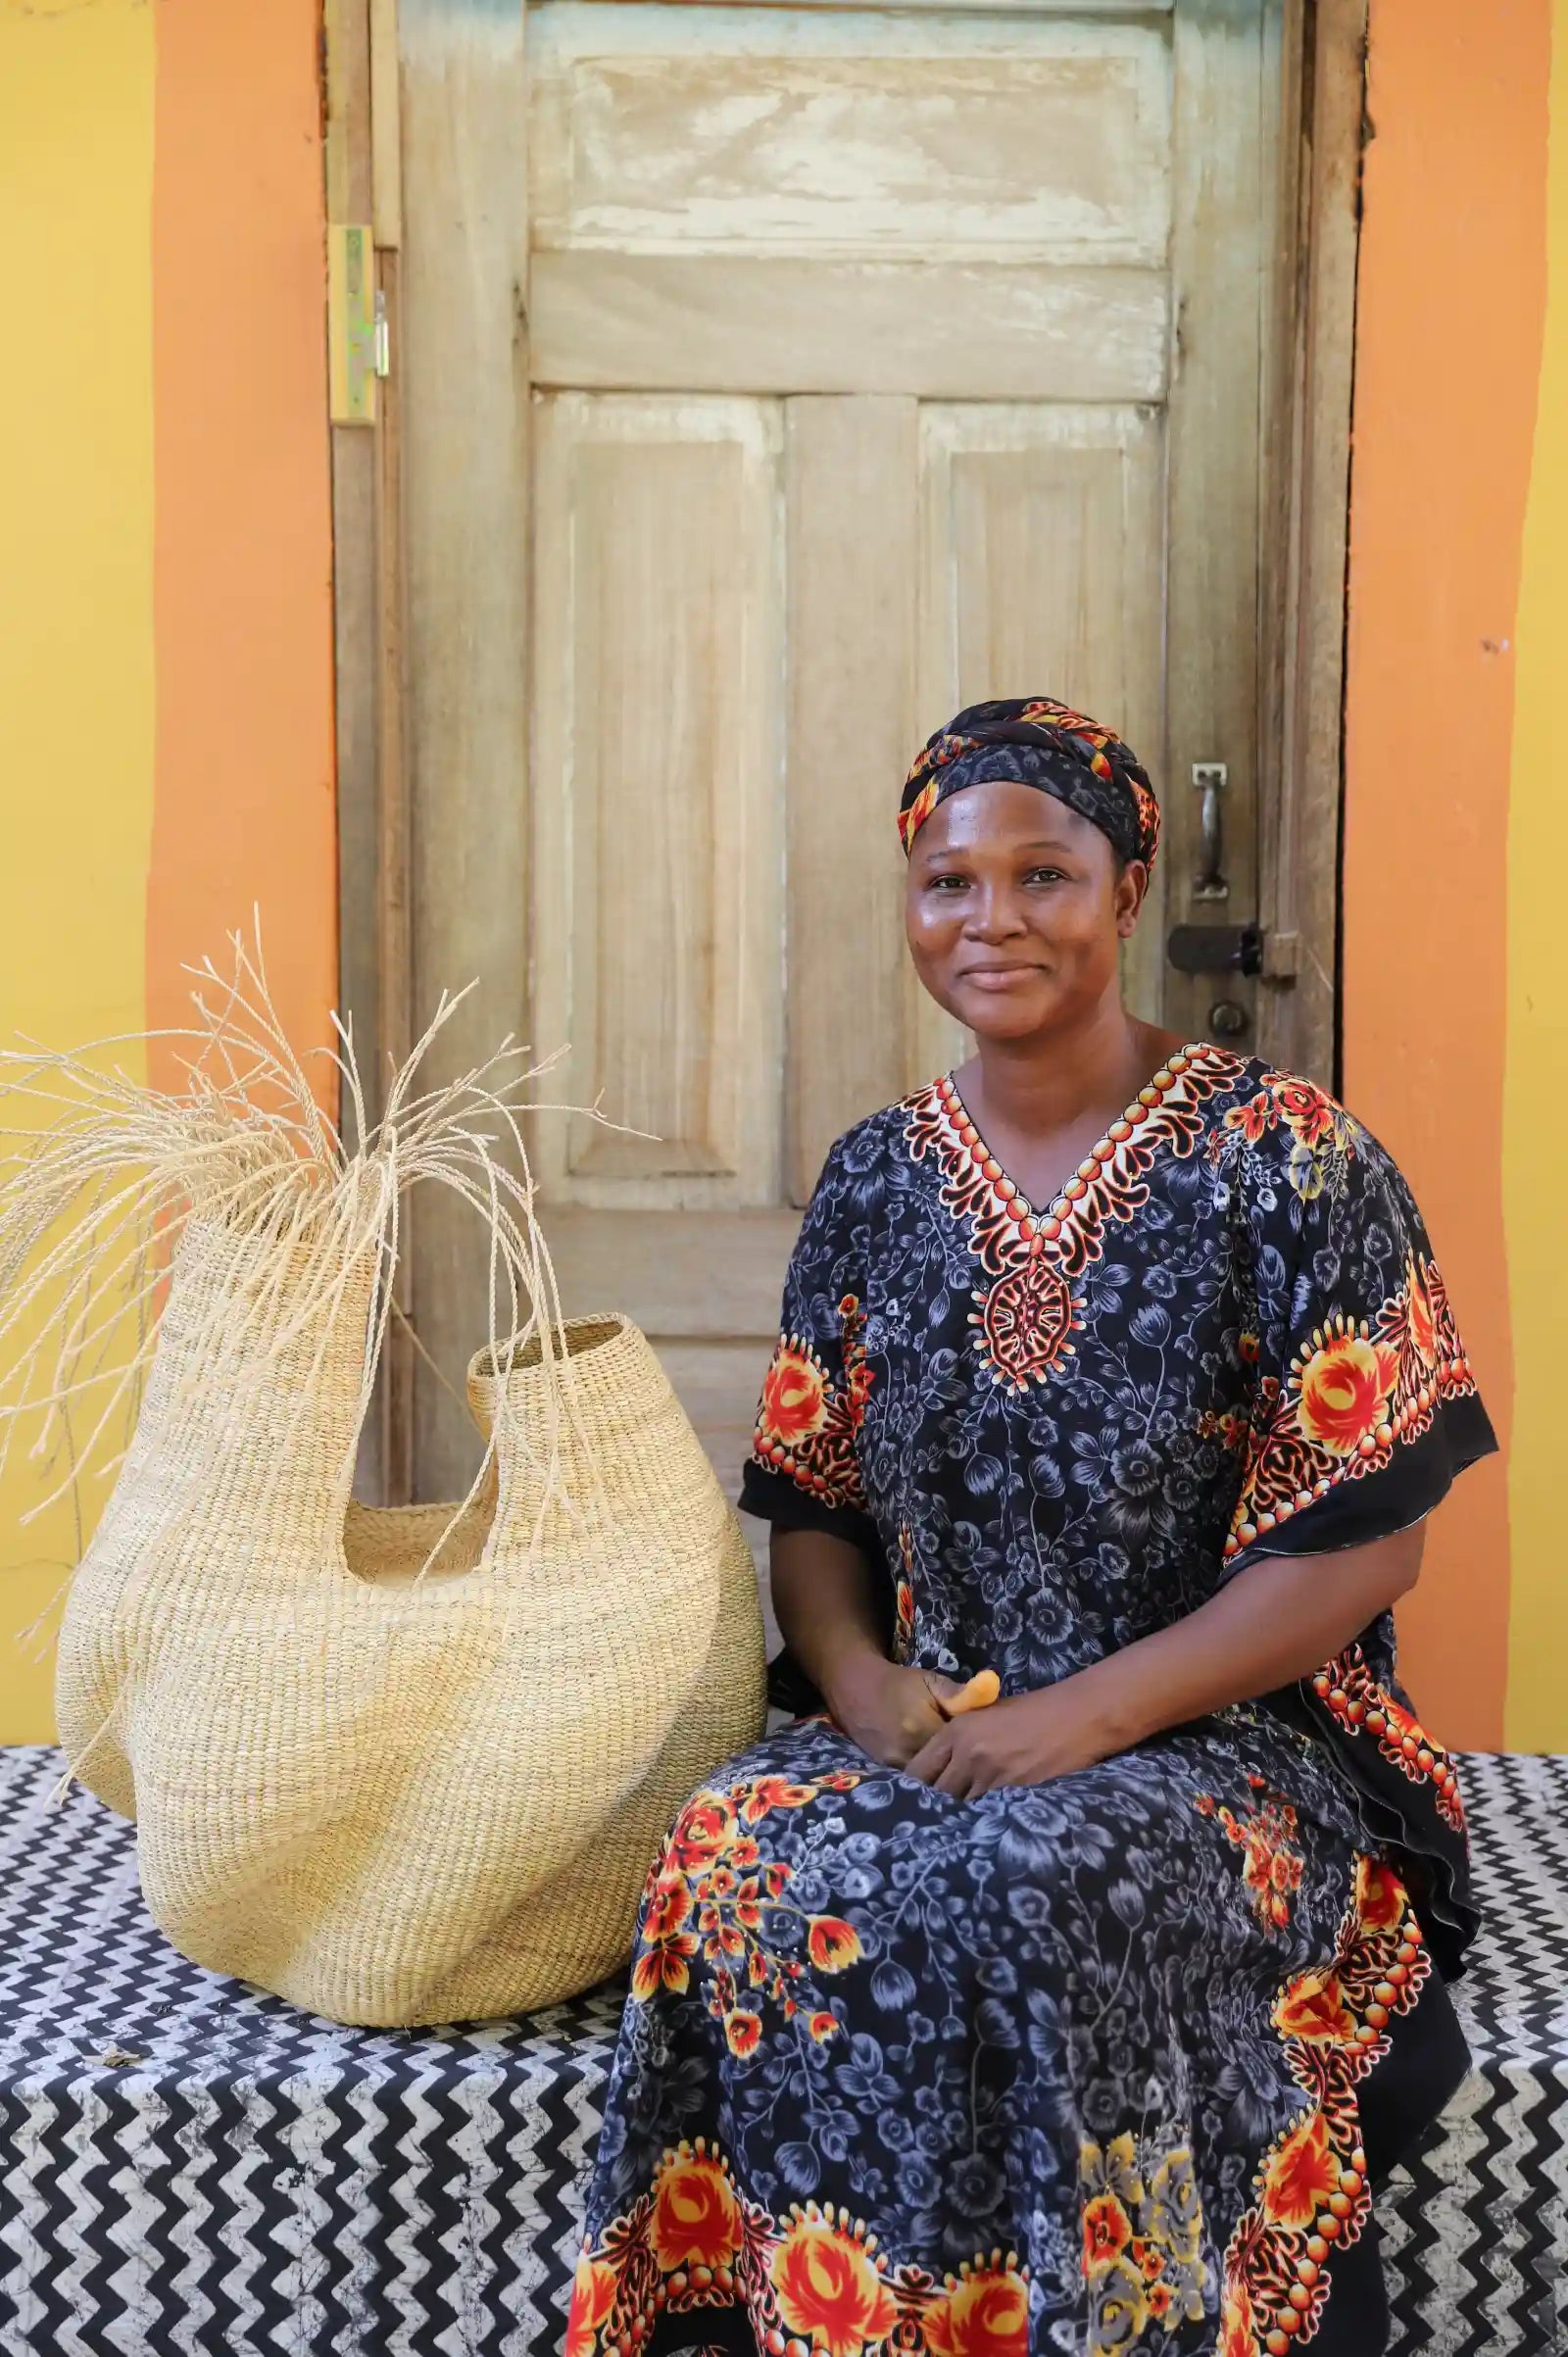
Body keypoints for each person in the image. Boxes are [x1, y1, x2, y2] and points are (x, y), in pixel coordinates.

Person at [565, 697, 1494, 2357]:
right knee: (735, 1851)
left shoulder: (1289, 1161)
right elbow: (815, 1504)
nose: (990, 918)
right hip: (946, 1719)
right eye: (947, 881)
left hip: (1232, 1732)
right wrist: (856, 1686)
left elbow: (1368, 1542)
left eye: (1043, 873)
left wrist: (1090, 1715)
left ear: (1127, 888)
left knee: (1044, 1876)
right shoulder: (874, 1182)